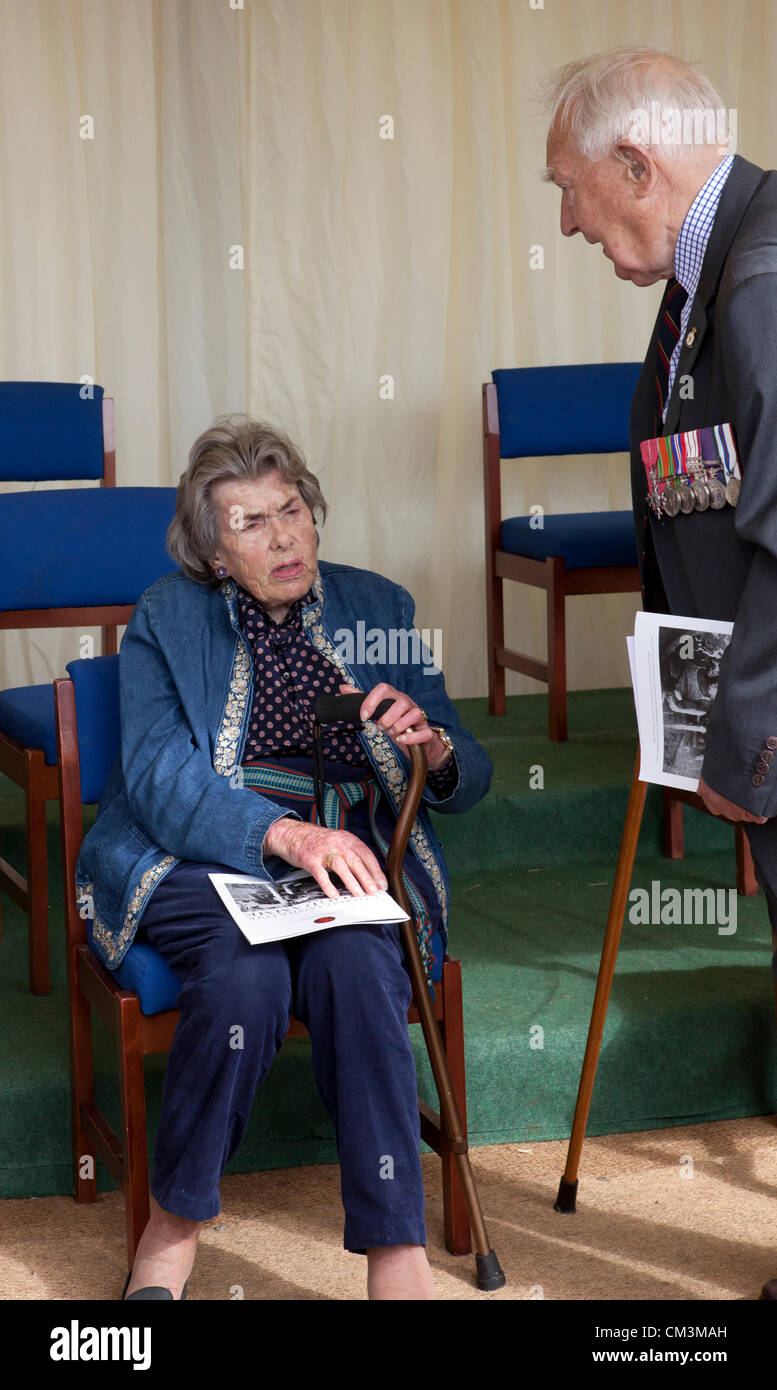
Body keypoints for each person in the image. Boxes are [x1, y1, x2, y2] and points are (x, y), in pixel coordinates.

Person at [75, 415, 493, 1301]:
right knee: (245, 982)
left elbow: (465, 766)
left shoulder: (377, 606)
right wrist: (286, 836)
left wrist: (432, 749)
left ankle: (396, 1254)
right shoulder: (166, 616)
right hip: (195, 855)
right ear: (215, 554)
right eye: (251, 522)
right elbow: (154, 775)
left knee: (354, 965)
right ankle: (174, 1226)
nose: (284, 536)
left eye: (292, 509)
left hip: (344, 862)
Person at [543, 44, 777, 1300]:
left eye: (572, 189)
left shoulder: (760, 271)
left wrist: (742, 738)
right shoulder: (704, 272)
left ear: (637, 163)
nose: (569, 219)